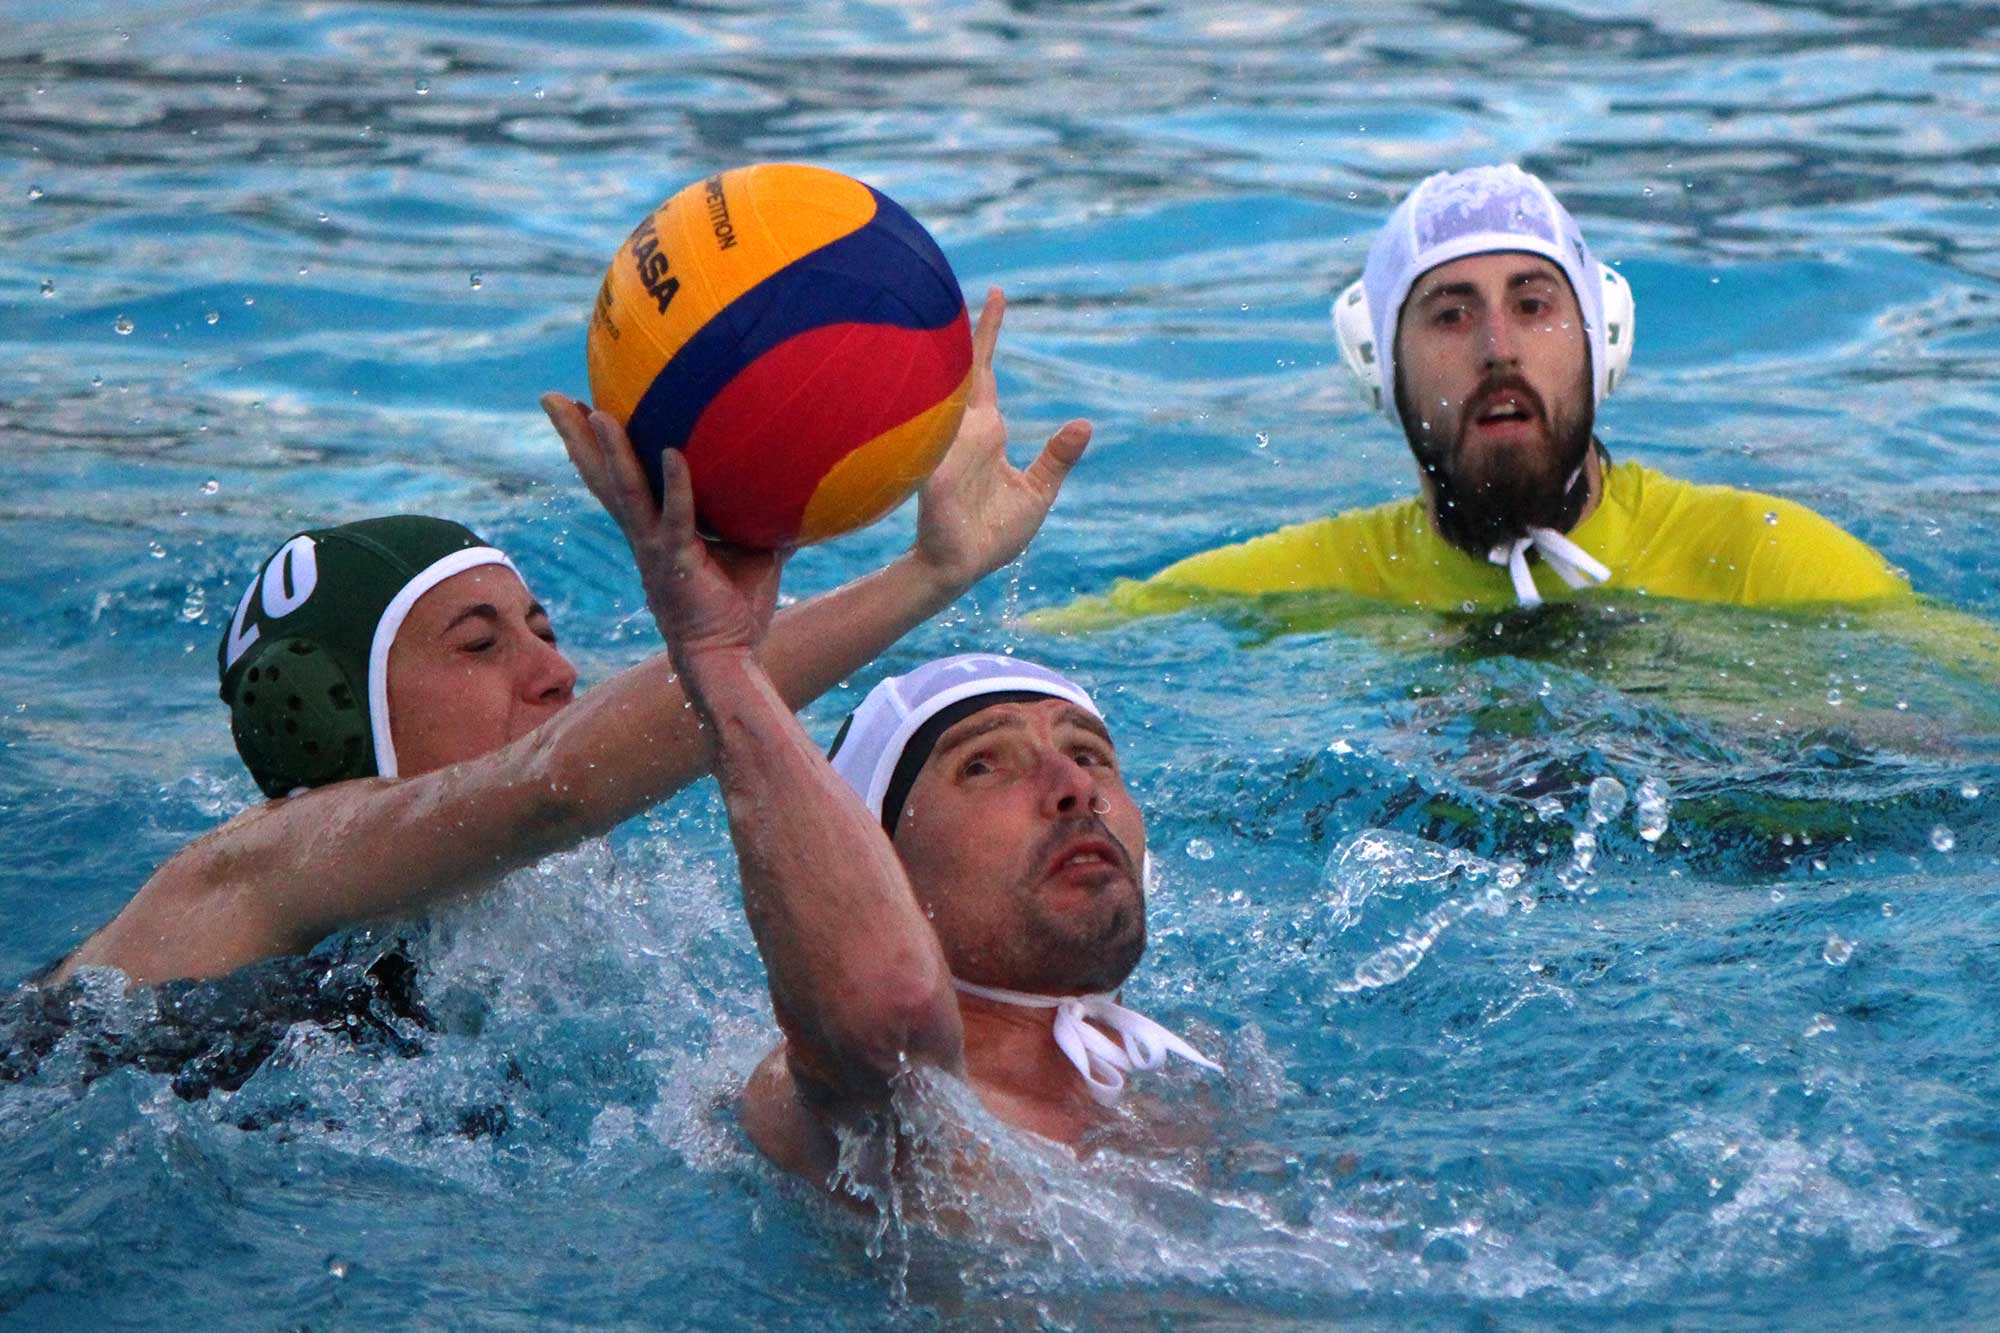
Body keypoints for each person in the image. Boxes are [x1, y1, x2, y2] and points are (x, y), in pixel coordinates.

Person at [49, 290, 1091, 993]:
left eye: (541, 631)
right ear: (326, 716)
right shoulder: (263, 861)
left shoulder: (508, 925)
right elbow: (560, 782)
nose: (555, 675)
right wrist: (927, 577)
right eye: (477, 644)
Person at [593, 414, 1223, 1191]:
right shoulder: (856, 1111)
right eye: (985, 765)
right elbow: (886, 1008)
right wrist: (717, 665)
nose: (1074, 788)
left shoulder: (1199, 1081)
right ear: (880, 862)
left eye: (1089, 753)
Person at [1042, 163, 1913, 624]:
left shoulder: (1768, 564)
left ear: (1601, 341)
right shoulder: (1297, 588)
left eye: (1534, 305)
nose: (1500, 350)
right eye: (1451, 316)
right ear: (1381, 370)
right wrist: (945, 573)